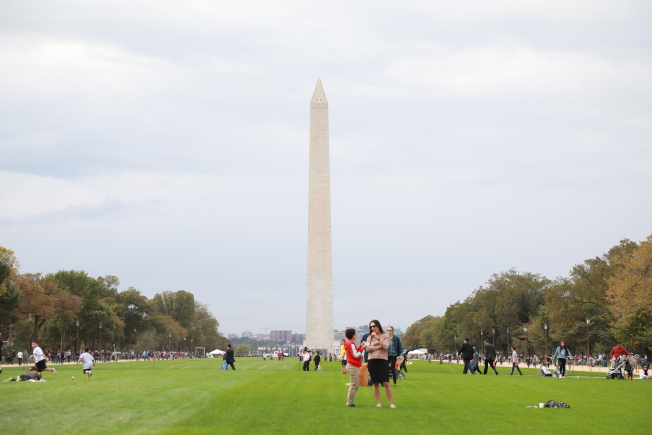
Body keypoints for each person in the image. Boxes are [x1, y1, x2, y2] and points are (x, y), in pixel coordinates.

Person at [364, 319, 396, 408]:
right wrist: (378, 347)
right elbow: (367, 349)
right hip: (372, 360)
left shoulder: (385, 336)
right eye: (371, 327)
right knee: (375, 383)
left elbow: (386, 347)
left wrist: (378, 339)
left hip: (382, 360)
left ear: (378, 326)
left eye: (374, 326)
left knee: (386, 383)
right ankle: (378, 403)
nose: (372, 328)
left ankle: (391, 403)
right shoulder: (369, 337)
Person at [344, 328, 363, 407]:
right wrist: (362, 350)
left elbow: (354, 351)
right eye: (355, 334)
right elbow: (355, 354)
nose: (356, 336)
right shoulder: (351, 344)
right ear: (353, 335)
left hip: (351, 365)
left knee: (355, 385)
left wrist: (361, 346)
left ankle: (350, 401)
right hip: (353, 366)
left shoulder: (349, 343)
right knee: (354, 385)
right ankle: (350, 402)